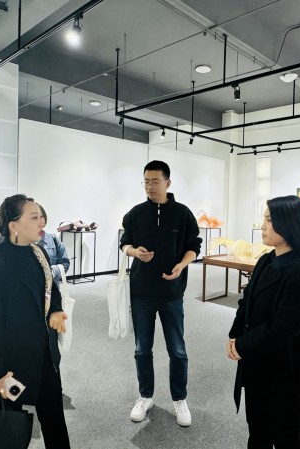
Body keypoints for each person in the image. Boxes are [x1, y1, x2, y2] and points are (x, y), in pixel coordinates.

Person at [0, 194, 71, 449]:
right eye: (34, 217)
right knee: (8, 427)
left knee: (55, 421)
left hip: (45, 359)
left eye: (42, 216)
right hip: (10, 369)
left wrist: (55, 311)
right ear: (14, 226)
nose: (42, 222)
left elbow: (52, 290)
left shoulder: (39, 254)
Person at [226, 195, 300, 449]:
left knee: (286, 436)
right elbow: (247, 301)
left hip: (284, 372)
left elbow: (282, 329)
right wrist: (235, 336)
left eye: (268, 220)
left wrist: (242, 345)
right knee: (258, 431)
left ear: (288, 224)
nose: (262, 226)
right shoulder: (267, 259)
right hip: (257, 364)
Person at [120, 160, 202, 427]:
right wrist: (135, 252)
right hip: (141, 292)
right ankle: (146, 396)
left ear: (168, 182)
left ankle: (180, 398)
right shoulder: (135, 213)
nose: (150, 186)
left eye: (155, 181)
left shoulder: (183, 214)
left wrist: (182, 265)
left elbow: (194, 246)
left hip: (171, 293)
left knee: (177, 350)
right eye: (146, 181)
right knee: (142, 349)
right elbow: (124, 244)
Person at [38, 204, 70, 288]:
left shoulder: (53, 239)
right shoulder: (23, 242)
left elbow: (65, 263)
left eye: (41, 216)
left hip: (52, 290)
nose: (39, 220)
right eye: (34, 218)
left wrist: (53, 271)